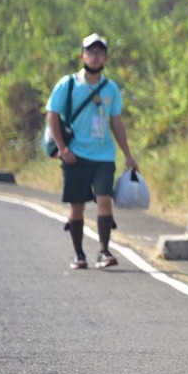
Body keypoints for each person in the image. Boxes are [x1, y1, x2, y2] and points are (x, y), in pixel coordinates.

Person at [46, 33, 139, 270]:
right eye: (90, 52)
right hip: (75, 154)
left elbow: (116, 122)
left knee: (104, 199)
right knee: (77, 205)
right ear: (82, 56)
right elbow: (52, 116)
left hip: (104, 155)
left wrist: (128, 155)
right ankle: (79, 254)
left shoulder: (111, 89)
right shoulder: (67, 85)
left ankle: (103, 250)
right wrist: (62, 149)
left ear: (106, 57)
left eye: (99, 52)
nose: (95, 57)